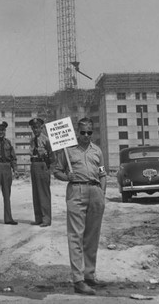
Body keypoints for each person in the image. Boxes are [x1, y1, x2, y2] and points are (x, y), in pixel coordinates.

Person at [53, 117, 107, 296]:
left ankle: (89, 275)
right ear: (77, 132)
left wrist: (102, 194)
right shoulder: (68, 151)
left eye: (89, 132)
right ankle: (78, 280)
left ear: (93, 132)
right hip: (76, 191)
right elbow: (57, 171)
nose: (86, 135)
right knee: (76, 236)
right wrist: (66, 177)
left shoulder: (97, 151)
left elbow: (102, 174)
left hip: (95, 191)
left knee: (92, 236)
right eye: (82, 132)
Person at [28, 117, 54, 227]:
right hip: (34, 165)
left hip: (43, 165)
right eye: (34, 128)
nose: (35, 130)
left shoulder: (46, 140)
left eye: (37, 128)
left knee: (44, 193)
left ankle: (46, 219)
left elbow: (53, 156)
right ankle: (38, 218)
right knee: (36, 193)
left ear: (41, 128)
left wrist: (48, 168)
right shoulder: (32, 140)